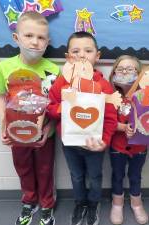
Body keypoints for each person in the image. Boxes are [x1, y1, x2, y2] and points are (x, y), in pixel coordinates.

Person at [0, 11, 59, 225]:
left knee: (44, 168)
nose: (35, 42)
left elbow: (55, 105)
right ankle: (29, 201)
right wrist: (4, 127)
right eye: (29, 36)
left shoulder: (53, 70)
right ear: (16, 38)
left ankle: (47, 204)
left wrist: (48, 130)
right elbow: (1, 98)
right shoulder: (4, 67)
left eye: (41, 38)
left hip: (43, 134)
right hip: (17, 132)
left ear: (47, 42)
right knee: (22, 166)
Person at [47, 31, 117, 225]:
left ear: (97, 56)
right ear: (68, 57)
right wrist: (64, 108)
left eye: (88, 50)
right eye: (76, 51)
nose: (82, 55)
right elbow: (50, 108)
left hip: (94, 144)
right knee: (76, 175)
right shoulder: (62, 82)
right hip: (69, 143)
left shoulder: (103, 86)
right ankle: (81, 203)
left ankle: (94, 203)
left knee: (95, 176)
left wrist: (105, 141)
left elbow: (111, 117)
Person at [108, 55, 149, 225]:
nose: (124, 72)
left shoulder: (147, 95)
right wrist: (122, 127)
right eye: (121, 69)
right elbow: (107, 122)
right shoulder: (111, 96)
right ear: (114, 72)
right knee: (117, 174)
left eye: (130, 69)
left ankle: (136, 203)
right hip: (117, 146)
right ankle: (117, 203)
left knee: (135, 175)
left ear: (139, 73)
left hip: (139, 147)